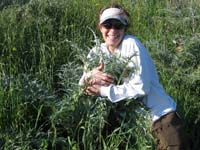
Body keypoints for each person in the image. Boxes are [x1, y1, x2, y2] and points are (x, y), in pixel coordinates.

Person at [79, 3, 189, 150]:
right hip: (132, 125)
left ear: (125, 28)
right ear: (100, 28)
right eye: (107, 24)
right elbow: (81, 87)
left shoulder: (131, 44)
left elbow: (141, 87)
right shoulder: (96, 52)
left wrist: (103, 91)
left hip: (160, 118)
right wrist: (88, 76)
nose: (112, 30)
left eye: (118, 25)